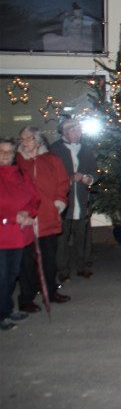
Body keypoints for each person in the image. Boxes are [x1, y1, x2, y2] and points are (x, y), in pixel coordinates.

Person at [16, 126, 71, 309]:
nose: (24, 142)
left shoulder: (52, 160)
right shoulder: (16, 163)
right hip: (25, 220)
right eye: (22, 139)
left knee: (48, 257)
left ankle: (50, 290)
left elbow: (62, 184)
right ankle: (26, 297)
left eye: (28, 138)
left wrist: (58, 204)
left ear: (37, 141)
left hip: (47, 216)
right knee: (27, 261)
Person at [50, 119, 97, 281]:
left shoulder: (86, 149)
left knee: (82, 234)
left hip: (82, 198)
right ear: (64, 131)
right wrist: (69, 179)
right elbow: (50, 175)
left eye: (79, 130)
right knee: (62, 236)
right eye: (74, 130)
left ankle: (83, 265)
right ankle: (62, 268)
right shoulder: (55, 150)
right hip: (64, 199)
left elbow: (94, 170)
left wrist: (88, 178)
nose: (78, 134)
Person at [0, 137, 39, 330]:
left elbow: (34, 198)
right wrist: (15, 216)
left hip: (18, 236)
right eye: (2, 151)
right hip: (2, 234)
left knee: (11, 275)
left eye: (9, 151)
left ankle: (7, 309)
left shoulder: (22, 174)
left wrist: (27, 213)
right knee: (1, 276)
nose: (6, 155)